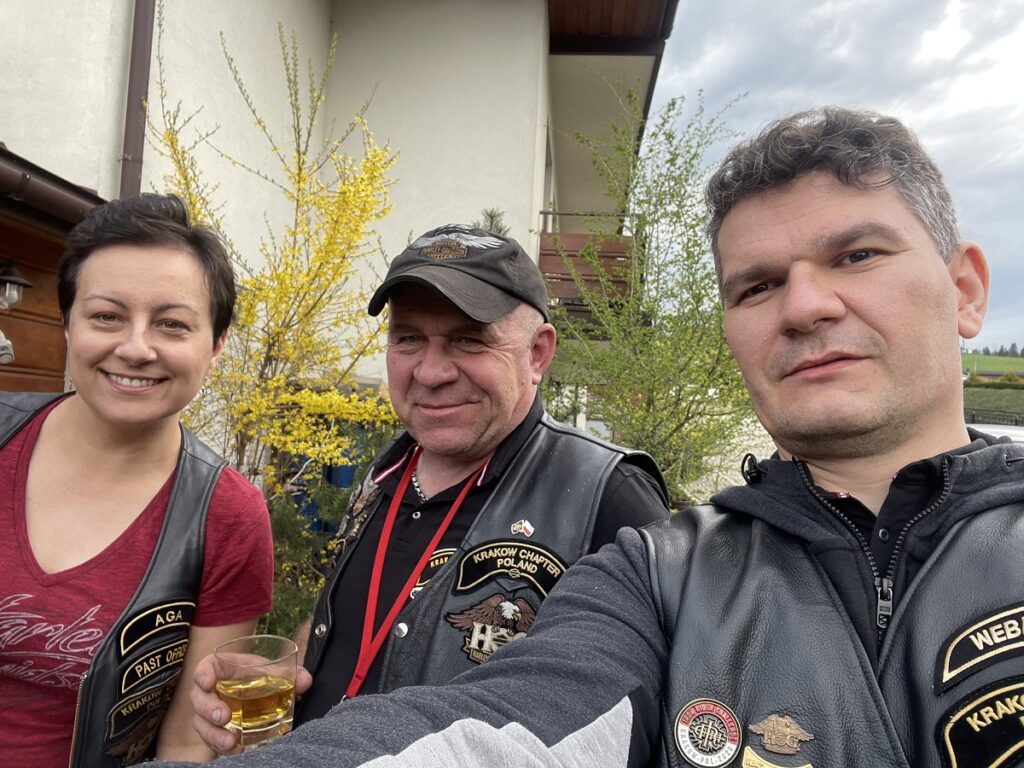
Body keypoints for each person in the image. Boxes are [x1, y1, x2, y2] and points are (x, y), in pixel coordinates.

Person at [167, 106, 1024, 768]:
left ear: (966, 290)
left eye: (858, 255)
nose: (804, 305)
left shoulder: (617, 506)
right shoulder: (664, 575)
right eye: (758, 285)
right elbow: (504, 720)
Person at [185, 223, 670, 752]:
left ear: (537, 353)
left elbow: (646, 719)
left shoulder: (608, 496)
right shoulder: (385, 472)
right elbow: (360, 618)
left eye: (469, 339)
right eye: (409, 338)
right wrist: (290, 671)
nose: (431, 372)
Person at [0, 194, 274, 766]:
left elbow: (186, 742)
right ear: (68, 324)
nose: (135, 348)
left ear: (216, 346)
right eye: (107, 316)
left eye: (172, 324)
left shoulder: (227, 515)